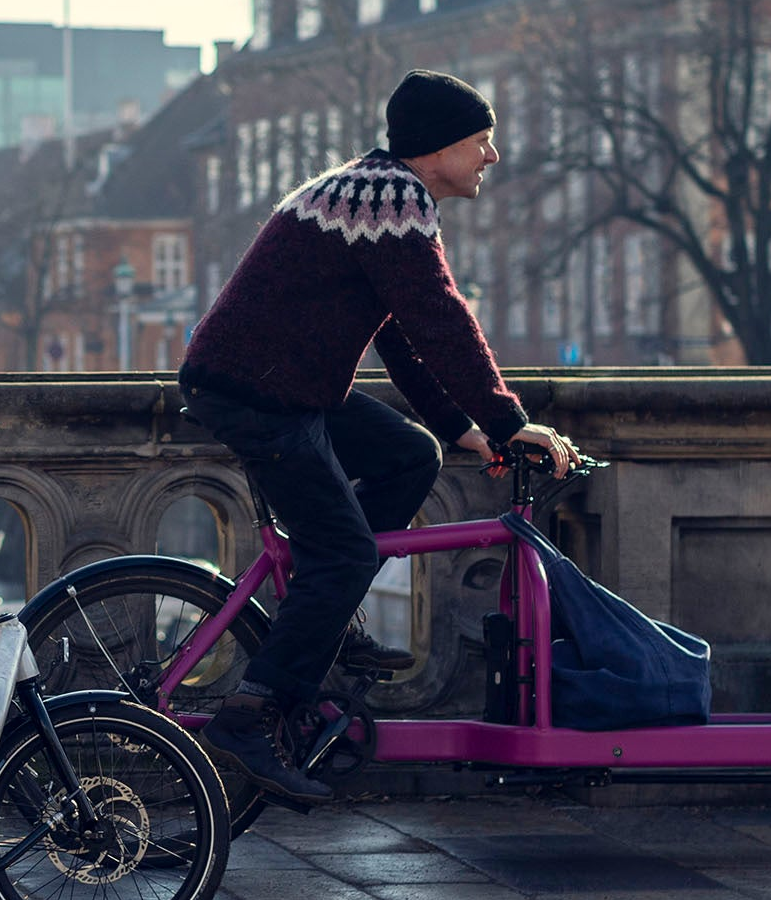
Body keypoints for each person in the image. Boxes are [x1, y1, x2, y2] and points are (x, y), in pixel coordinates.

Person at [177, 68, 579, 803]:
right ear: (437, 148)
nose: (492, 157)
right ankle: (247, 714)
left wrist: (461, 431)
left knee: (408, 455)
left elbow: (401, 337)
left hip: (287, 387)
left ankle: (322, 615)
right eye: (482, 142)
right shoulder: (393, 198)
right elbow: (440, 319)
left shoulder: (371, 190)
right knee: (345, 553)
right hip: (258, 396)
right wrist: (510, 422)